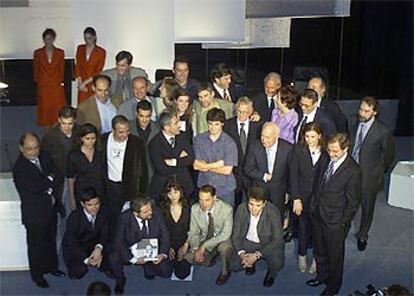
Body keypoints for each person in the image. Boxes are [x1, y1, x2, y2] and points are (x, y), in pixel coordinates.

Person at [306, 133, 361, 295]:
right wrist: (313, 206)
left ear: (346, 149)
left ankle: (333, 286)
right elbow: (319, 185)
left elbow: (353, 202)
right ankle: (322, 276)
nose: (331, 154)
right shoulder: (326, 159)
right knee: (319, 249)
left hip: (335, 221)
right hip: (318, 214)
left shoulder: (353, 171)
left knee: (335, 256)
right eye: (330, 150)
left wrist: (343, 222)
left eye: (335, 151)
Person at [13, 133, 65, 288]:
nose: (34, 152)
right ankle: (38, 275)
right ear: (21, 148)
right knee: (36, 246)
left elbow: (58, 175)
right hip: (35, 215)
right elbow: (35, 188)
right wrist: (49, 181)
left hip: (50, 209)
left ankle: (52, 267)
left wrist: (47, 185)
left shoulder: (45, 156)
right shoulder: (19, 168)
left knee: (51, 241)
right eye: (29, 149)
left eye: (36, 147)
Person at [349, 96, 395, 251]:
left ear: (374, 112)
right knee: (347, 202)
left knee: (367, 208)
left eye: (366, 111)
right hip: (350, 172)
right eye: (360, 109)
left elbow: (388, 156)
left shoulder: (383, 131)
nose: (362, 113)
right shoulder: (353, 121)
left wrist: (377, 172)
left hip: (369, 177)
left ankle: (363, 235)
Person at [109, 198, 172, 295]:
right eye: (146, 211)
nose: (151, 212)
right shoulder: (124, 218)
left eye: (150, 209)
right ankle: (120, 280)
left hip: (151, 248)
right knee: (113, 257)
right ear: (136, 213)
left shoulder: (157, 212)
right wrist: (134, 259)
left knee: (166, 272)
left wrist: (163, 254)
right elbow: (118, 242)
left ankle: (148, 265)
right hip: (131, 248)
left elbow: (165, 235)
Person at [291, 122, 329, 273]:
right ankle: (301, 255)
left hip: (320, 198)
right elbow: (293, 176)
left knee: (318, 230)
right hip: (303, 196)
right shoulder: (298, 150)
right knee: (302, 228)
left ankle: (316, 259)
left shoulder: (326, 151)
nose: (309, 140)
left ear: (319, 136)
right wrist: (296, 198)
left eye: (313, 136)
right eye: (307, 136)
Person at [231, 185, 284, 287]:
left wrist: (256, 255)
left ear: (264, 204)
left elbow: (277, 240)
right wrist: (242, 254)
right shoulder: (241, 209)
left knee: (277, 263)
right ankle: (250, 263)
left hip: (267, 243)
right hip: (248, 242)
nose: (253, 208)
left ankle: (271, 273)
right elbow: (236, 235)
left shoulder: (273, 212)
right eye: (251, 204)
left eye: (258, 205)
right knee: (234, 265)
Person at [102, 115, 148, 230]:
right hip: (110, 187)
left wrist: (141, 193)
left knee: (130, 220)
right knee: (112, 219)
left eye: (127, 131)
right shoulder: (103, 140)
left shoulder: (136, 143)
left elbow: (143, 169)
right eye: (121, 132)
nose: (125, 135)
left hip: (130, 186)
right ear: (113, 130)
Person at [185, 185, 234, 285]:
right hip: (205, 237)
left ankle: (225, 272)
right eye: (201, 200)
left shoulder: (227, 209)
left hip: (221, 239)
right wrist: (195, 249)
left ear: (215, 198)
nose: (203, 204)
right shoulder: (195, 208)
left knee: (224, 249)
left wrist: (204, 246)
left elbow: (225, 234)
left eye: (207, 200)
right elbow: (193, 232)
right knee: (189, 257)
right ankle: (210, 258)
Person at [244, 122, 295, 216]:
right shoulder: (254, 146)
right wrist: (264, 176)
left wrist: (289, 192)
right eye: (262, 136)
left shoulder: (288, 149)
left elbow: (291, 173)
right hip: (259, 192)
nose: (264, 140)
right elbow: (248, 169)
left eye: (268, 137)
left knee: (276, 221)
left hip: (279, 193)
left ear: (276, 136)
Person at [62, 187, 110, 279]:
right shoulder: (74, 218)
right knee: (77, 272)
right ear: (82, 204)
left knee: (111, 262)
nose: (94, 208)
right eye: (90, 205)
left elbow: (105, 233)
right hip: (78, 246)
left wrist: (99, 248)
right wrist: (87, 260)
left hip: (94, 243)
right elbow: (72, 243)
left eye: (97, 204)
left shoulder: (104, 212)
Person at [193, 108, 238, 206]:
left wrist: (206, 166)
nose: (213, 127)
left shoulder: (230, 143)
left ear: (222, 124)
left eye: (216, 124)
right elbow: (196, 166)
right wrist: (217, 164)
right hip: (204, 186)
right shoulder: (199, 139)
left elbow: (227, 170)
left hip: (225, 188)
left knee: (225, 218)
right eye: (210, 124)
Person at [223, 96, 262, 207]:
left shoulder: (258, 126)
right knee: (234, 205)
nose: (241, 115)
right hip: (234, 173)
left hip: (252, 173)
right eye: (239, 111)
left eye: (245, 112)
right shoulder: (227, 125)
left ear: (251, 111)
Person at [41, 106, 79, 215]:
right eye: (64, 123)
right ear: (59, 120)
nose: (67, 127)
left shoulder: (80, 133)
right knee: (62, 215)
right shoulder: (49, 138)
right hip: (60, 180)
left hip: (79, 178)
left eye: (70, 124)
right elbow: (45, 163)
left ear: (75, 121)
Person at [148, 110, 194, 200]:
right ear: (166, 127)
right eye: (176, 123)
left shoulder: (183, 136)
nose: (179, 125)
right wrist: (181, 162)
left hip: (185, 187)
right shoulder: (154, 143)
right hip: (163, 190)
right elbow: (162, 169)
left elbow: (191, 159)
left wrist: (174, 161)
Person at [158, 177, 192, 279]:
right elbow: (160, 231)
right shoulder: (162, 208)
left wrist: (186, 246)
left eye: (175, 192)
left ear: (181, 192)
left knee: (182, 274)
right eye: (170, 193)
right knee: (165, 272)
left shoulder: (189, 206)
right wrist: (167, 247)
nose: (173, 196)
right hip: (169, 243)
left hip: (186, 242)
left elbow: (194, 229)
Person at [33, 28, 66, 128]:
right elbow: (36, 70)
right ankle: (47, 137)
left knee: (57, 111)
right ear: (43, 40)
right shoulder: (38, 53)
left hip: (56, 86)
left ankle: (56, 134)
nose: (48, 41)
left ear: (54, 39)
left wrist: (59, 81)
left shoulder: (60, 52)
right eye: (46, 39)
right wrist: (40, 83)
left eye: (50, 38)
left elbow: (61, 69)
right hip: (44, 87)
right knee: (45, 113)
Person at [66, 123, 105, 209]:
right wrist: (71, 198)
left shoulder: (100, 152)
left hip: (100, 192)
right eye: (87, 139)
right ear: (81, 138)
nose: (91, 142)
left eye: (93, 138)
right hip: (82, 193)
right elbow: (70, 178)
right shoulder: (74, 155)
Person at [129, 100, 160, 182]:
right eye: (141, 116)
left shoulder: (157, 129)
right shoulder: (128, 128)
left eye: (148, 116)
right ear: (136, 114)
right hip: (132, 172)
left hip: (153, 172)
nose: (144, 120)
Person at [74, 27, 106, 104]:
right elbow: (77, 66)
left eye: (89, 38)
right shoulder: (80, 48)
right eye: (85, 38)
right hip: (82, 83)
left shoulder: (101, 51)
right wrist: (80, 83)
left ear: (94, 37)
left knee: (93, 107)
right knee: (82, 107)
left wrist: (85, 83)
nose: (87, 41)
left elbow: (98, 70)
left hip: (93, 83)